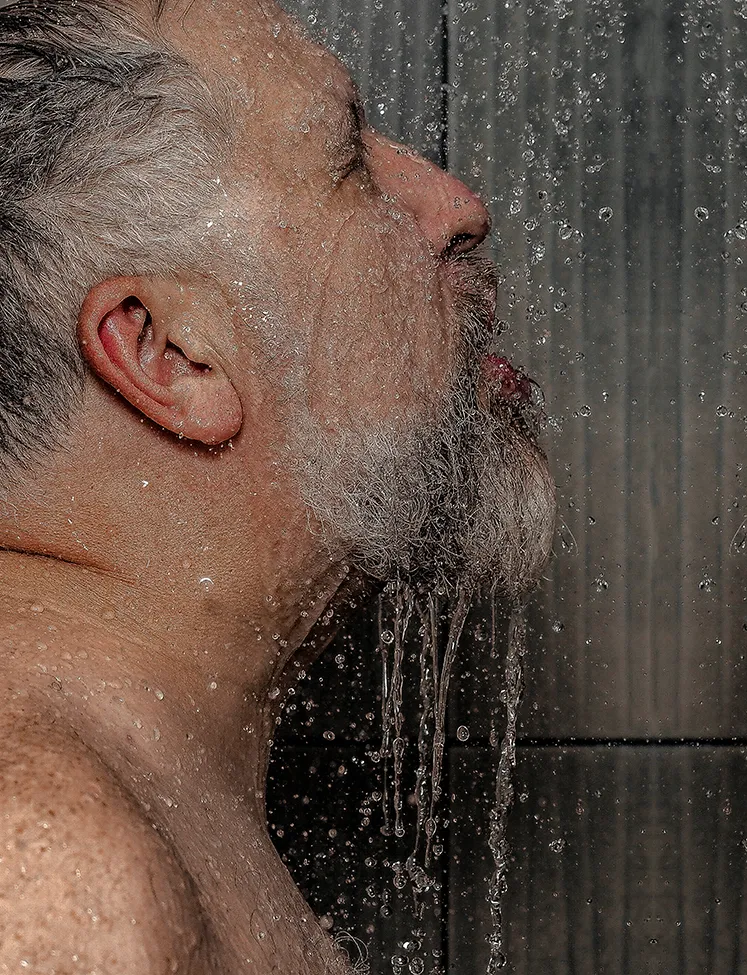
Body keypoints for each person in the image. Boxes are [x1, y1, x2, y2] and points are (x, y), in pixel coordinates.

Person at [0, 0, 554, 971]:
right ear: (170, 353)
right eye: (350, 161)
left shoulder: (120, 808)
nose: (456, 209)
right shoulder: (49, 866)